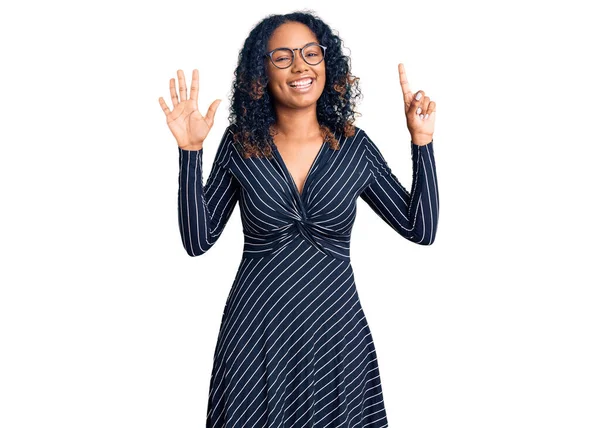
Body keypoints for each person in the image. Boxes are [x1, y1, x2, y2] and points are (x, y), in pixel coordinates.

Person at [158, 10, 438, 428]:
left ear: (328, 65)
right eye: (283, 57)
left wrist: (422, 142)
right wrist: (190, 153)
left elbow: (421, 228)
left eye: (311, 53)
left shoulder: (354, 147)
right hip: (257, 337)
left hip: (336, 337)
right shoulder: (241, 145)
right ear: (260, 75)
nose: (301, 65)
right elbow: (198, 241)